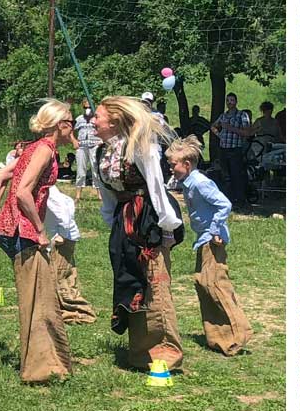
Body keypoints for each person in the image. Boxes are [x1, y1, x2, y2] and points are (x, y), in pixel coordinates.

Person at [93, 95, 185, 371]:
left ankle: (164, 353)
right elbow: (107, 193)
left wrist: (167, 224)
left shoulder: (140, 146)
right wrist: (112, 221)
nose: (92, 121)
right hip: (124, 218)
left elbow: (156, 185)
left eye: (97, 116)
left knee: (154, 282)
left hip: (148, 216)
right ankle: (140, 352)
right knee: (130, 279)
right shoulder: (102, 151)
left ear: (114, 120)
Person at [0, 99, 74, 383]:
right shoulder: (45, 151)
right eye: (70, 122)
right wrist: (39, 230)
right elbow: (24, 192)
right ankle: (39, 368)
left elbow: (2, 176)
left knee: (41, 295)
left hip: (13, 228)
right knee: (37, 299)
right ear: (60, 125)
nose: (73, 127)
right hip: (23, 232)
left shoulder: (36, 148)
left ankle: (48, 362)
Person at [166, 135, 253, 355]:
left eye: (173, 164)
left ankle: (238, 333)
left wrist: (215, 230)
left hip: (212, 239)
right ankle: (218, 337)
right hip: (203, 238)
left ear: (186, 164)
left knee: (215, 285)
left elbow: (224, 204)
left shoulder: (200, 183)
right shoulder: (188, 182)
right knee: (204, 284)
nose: (170, 168)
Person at [43, 182, 97, 325]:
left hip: (62, 237)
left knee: (62, 279)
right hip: (55, 235)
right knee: (57, 276)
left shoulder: (46, 186)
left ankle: (80, 312)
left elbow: (62, 206)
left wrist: (61, 232)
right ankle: (58, 310)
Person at [213, 93, 252, 210]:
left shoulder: (242, 115)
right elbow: (213, 126)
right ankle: (227, 199)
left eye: (232, 100)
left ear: (236, 101)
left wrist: (231, 129)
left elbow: (247, 132)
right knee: (225, 175)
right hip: (223, 148)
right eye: (228, 100)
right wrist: (220, 134)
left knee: (236, 175)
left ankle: (239, 200)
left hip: (235, 149)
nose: (229, 102)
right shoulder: (223, 116)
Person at [73, 102, 98, 201]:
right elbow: (70, 130)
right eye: (85, 107)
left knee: (95, 170)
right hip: (82, 147)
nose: (87, 109)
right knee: (80, 171)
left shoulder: (97, 118)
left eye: (89, 107)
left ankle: (99, 194)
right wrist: (74, 140)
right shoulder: (79, 119)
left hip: (94, 146)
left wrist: (101, 141)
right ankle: (78, 195)